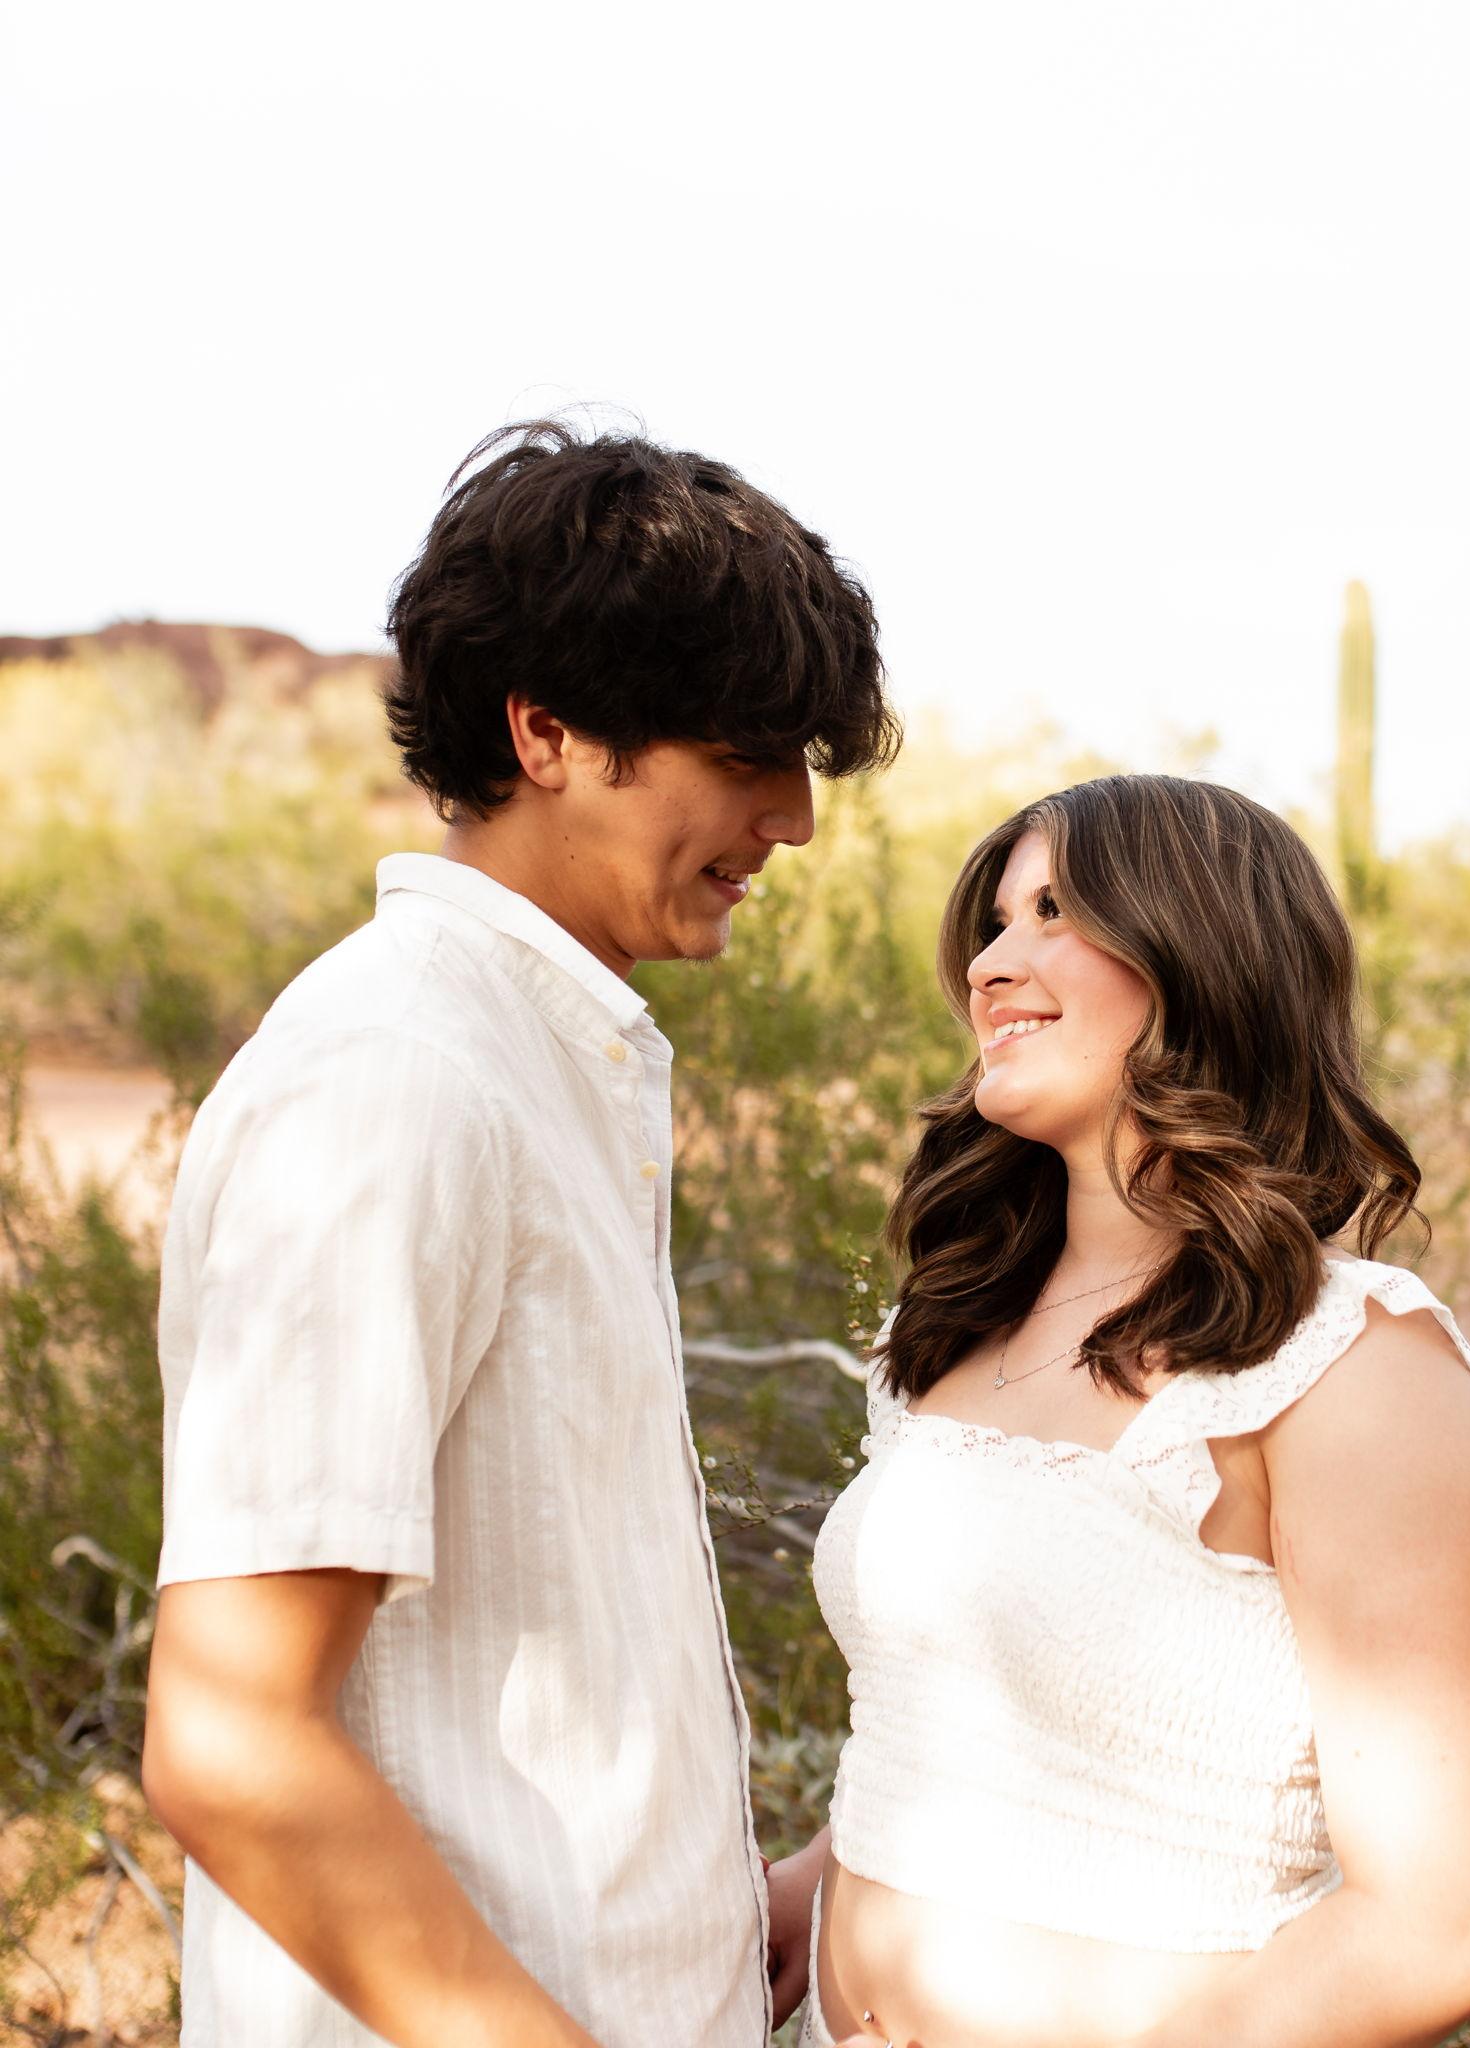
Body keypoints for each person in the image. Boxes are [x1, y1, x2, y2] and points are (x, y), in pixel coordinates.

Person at [143, 418, 899, 2047]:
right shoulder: (398, 1080)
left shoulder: (536, 1063)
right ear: (545, 730)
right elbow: (232, 1743)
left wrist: (723, 1922)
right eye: (744, 753)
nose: (792, 817)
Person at [802, 774, 1470, 2048]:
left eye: (1052, 912)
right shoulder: (954, 1322)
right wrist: (813, 1887)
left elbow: (1440, 1926)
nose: (989, 962)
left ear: (1200, 954)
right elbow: (951, 1718)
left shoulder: (1352, 1367)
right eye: (994, 921)